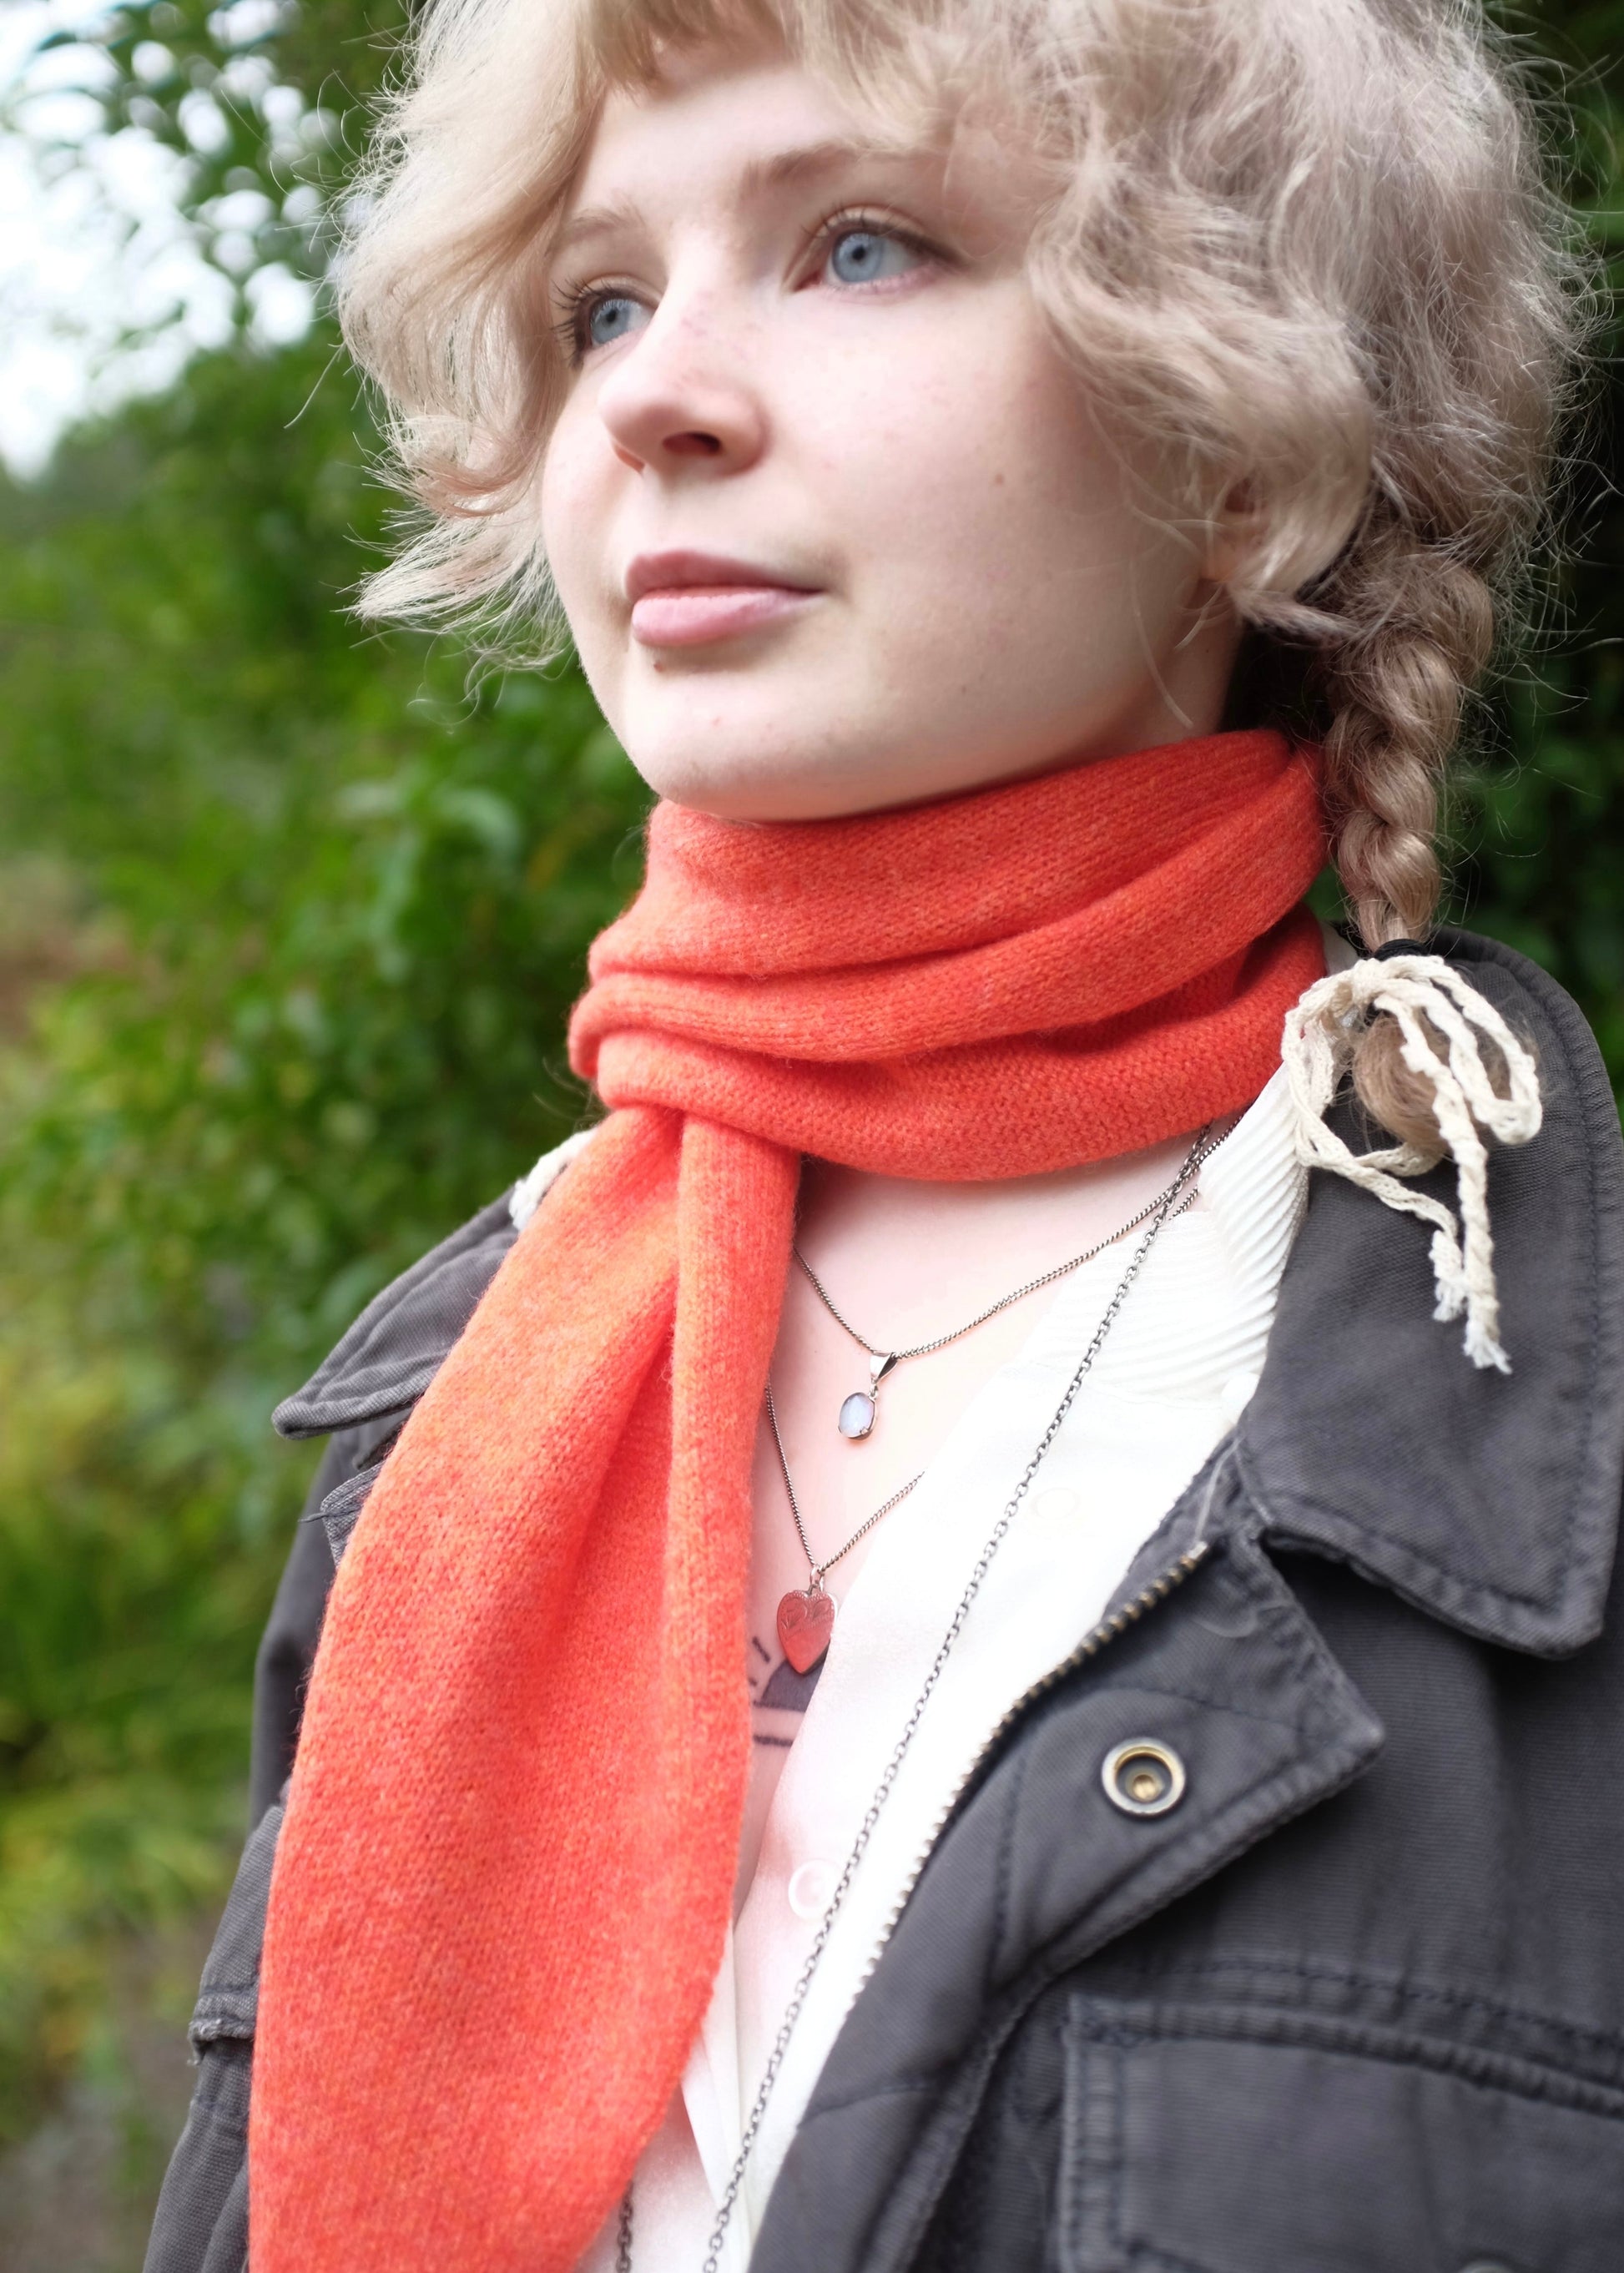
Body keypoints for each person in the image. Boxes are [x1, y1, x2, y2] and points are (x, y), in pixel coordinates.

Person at [145, 1, 1624, 2269]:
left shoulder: (1533, 1419)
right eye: (598, 301)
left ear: (1244, 441)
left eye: (859, 246)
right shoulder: (443, 1401)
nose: (651, 394)